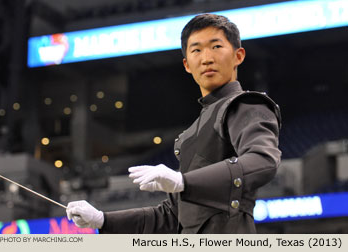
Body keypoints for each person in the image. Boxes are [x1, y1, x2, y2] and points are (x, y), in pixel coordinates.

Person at [66, 13, 281, 234]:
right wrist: (103, 220)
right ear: (187, 64)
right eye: (196, 50)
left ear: (239, 55)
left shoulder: (248, 105)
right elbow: (172, 216)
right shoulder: (192, 133)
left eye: (216, 46)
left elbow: (263, 160)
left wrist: (183, 181)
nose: (206, 58)